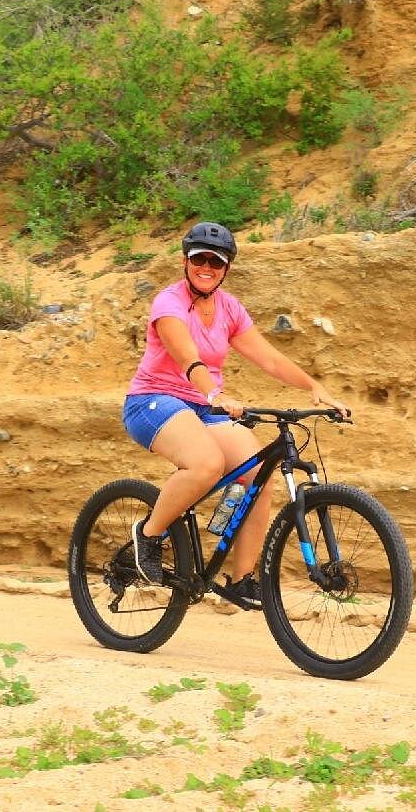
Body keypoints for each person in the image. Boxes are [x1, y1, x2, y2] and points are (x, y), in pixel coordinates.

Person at [122, 221, 350, 608]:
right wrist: (216, 392)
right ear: (186, 261)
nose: (207, 267)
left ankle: (242, 579)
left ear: (227, 267)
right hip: (154, 400)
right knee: (206, 464)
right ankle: (149, 534)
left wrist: (315, 387)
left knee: (258, 473)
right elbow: (188, 358)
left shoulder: (230, 309)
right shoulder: (169, 303)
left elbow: (269, 358)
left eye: (216, 261)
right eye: (200, 259)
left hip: (204, 406)